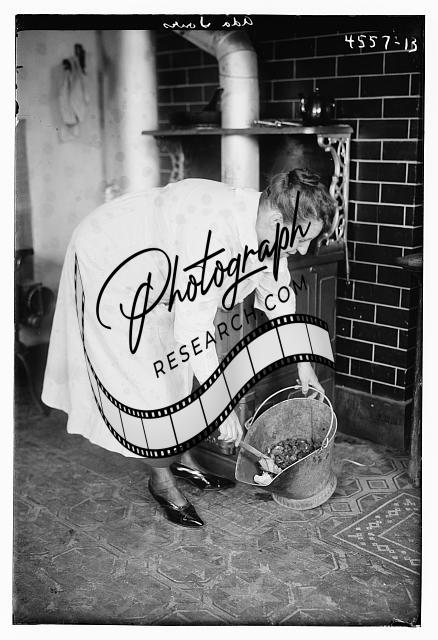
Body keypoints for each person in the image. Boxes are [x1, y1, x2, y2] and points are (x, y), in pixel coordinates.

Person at [42, 168, 336, 528]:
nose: (302, 250)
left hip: (159, 263)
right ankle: (161, 479)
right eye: (301, 239)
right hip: (112, 257)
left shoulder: (267, 228)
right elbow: (194, 331)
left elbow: (277, 295)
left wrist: (305, 365)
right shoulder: (213, 235)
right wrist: (221, 408)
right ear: (277, 219)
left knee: (176, 368)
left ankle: (181, 459)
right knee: (147, 376)